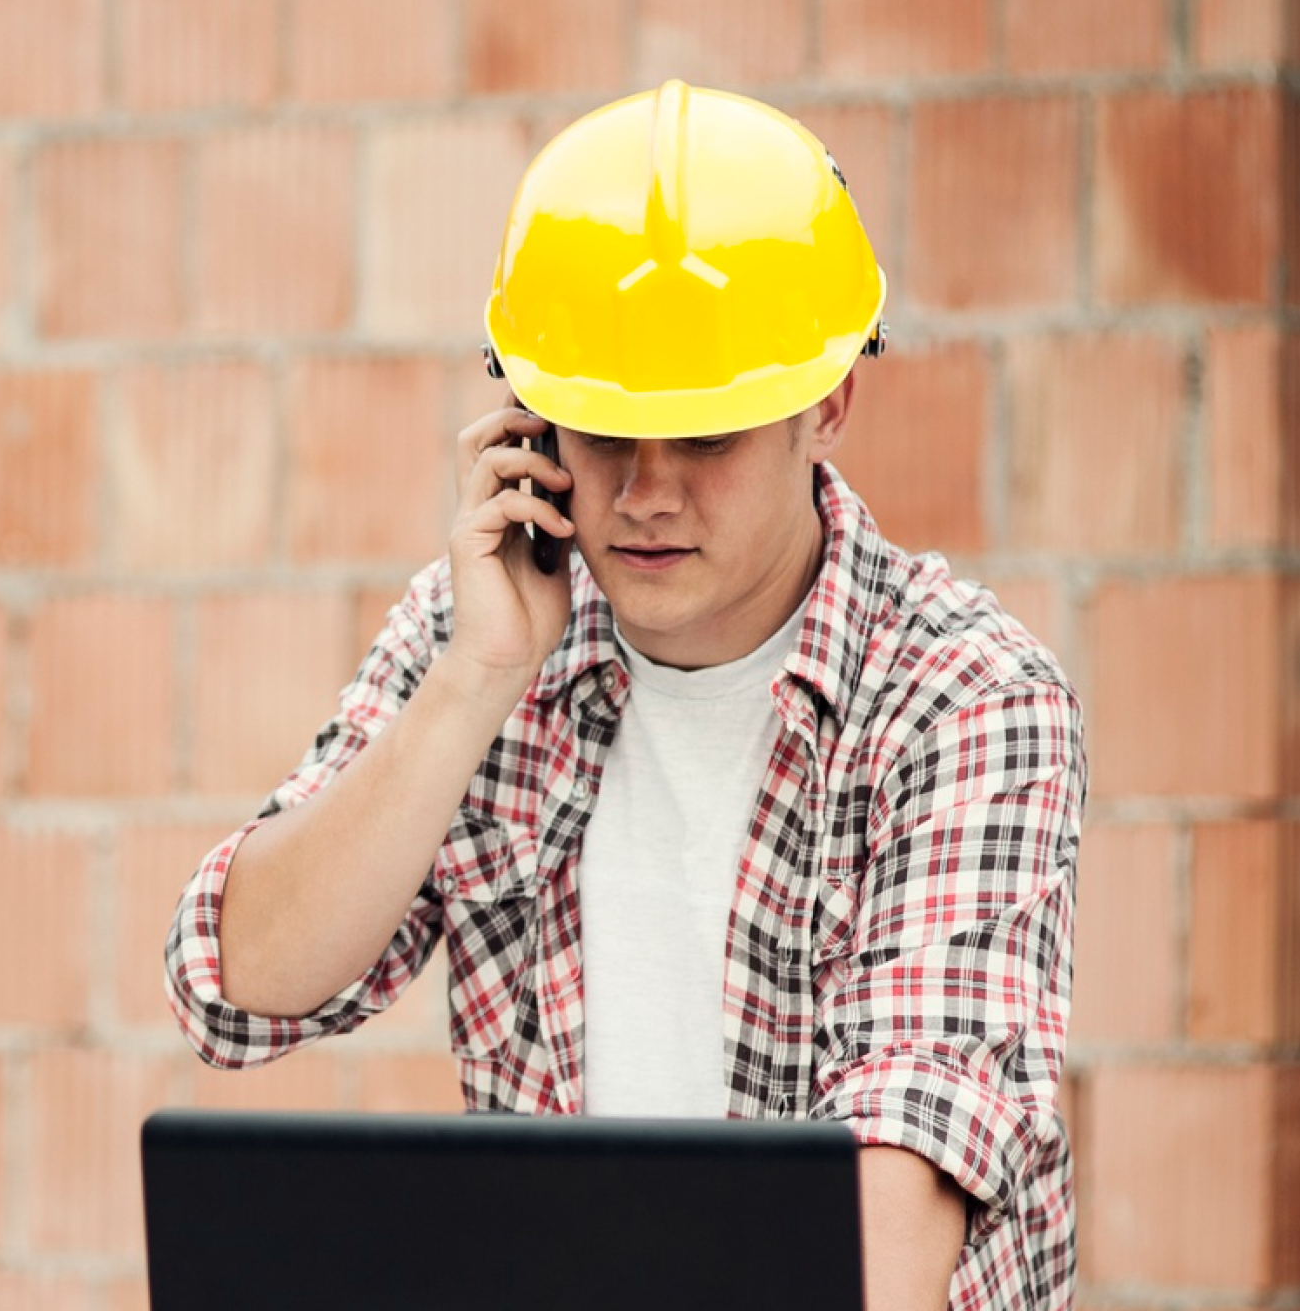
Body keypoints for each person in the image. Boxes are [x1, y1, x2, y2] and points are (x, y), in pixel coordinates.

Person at [164, 81, 1082, 1311]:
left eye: (704, 436)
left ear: (828, 401)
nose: (646, 493)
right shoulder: (478, 640)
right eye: (602, 429)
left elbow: (889, 1232)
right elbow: (234, 983)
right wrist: (470, 686)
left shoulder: (963, 696)